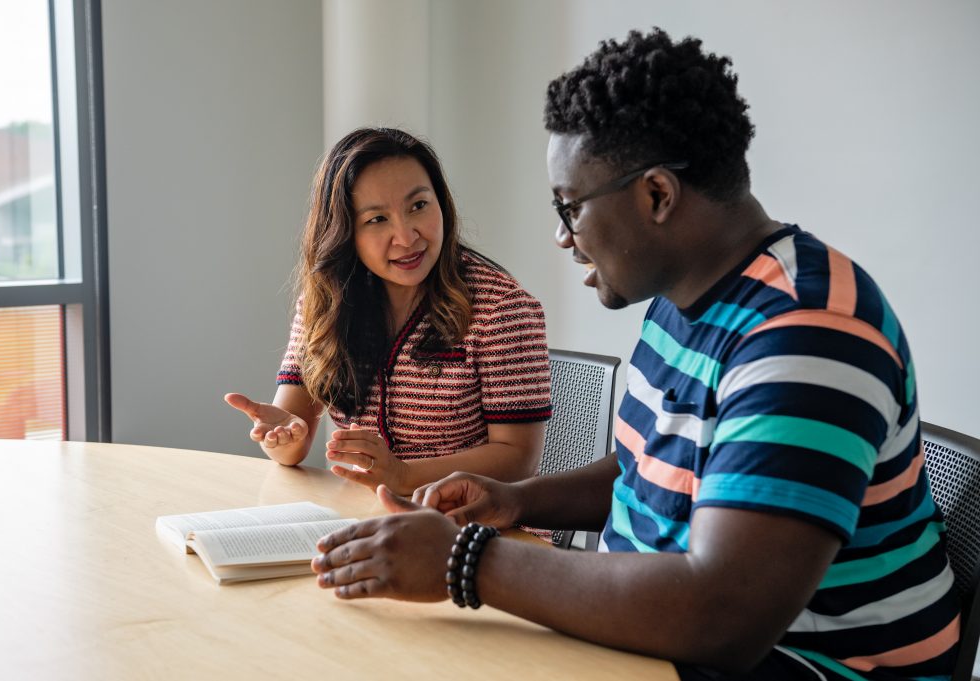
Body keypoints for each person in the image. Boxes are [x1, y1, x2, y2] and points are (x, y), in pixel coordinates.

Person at [308, 29, 961, 680]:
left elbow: (724, 616)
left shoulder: (809, 332)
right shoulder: (685, 299)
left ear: (656, 195)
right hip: (669, 640)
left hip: (806, 664)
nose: (562, 238)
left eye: (569, 208)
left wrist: (466, 559)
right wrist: (514, 500)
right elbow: (645, 467)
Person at [225, 128, 552, 496]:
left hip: (472, 529)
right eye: (377, 219)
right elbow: (294, 434)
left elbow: (517, 459)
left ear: (441, 203)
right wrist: (281, 438)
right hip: (365, 516)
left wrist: (403, 475)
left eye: (418, 206)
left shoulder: (502, 309)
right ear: (345, 232)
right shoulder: (327, 301)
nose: (407, 236)